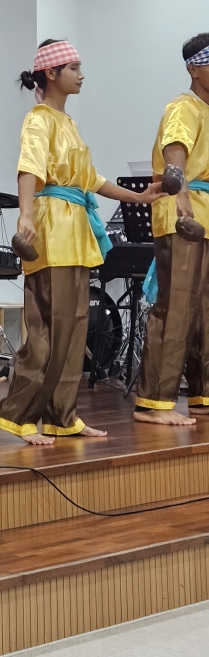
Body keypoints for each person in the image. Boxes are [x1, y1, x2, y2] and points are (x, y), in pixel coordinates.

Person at [0, 39, 161, 446]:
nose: (81, 75)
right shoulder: (39, 119)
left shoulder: (66, 122)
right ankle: (20, 415)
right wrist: (26, 214)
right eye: (74, 68)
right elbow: (29, 169)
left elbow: (91, 180)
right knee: (47, 329)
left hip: (74, 231)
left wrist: (139, 197)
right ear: (51, 73)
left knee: (73, 330)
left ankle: (62, 415)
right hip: (52, 229)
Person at [134, 33, 209, 426]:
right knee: (176, 307)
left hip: (205, 213)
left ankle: (202, 395)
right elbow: (174, 151)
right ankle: (153, 402)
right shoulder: (183, 107)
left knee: (204, 311)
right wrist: (179, 194)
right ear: (194, 68)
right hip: (182, 210)